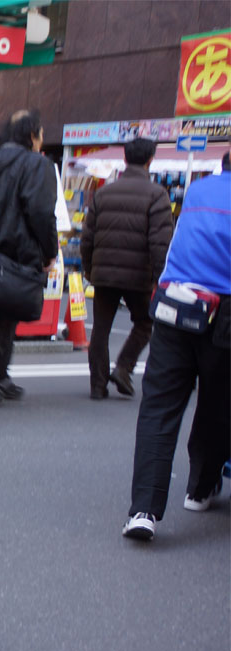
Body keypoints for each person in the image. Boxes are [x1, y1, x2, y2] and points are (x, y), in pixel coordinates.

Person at [123, 152, 231, 541]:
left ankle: (142, 511)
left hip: (175, 302)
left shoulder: (199, 190)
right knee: (217, 404)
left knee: (159, 407)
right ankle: (200, 488)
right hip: (225, 310)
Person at [0, 110, 57, 408]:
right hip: (17, 252)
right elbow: (41, 212)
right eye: (41, 133)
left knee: (4, 315)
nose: (42, 140)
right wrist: (50, 251)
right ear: (32, 136)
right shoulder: (36, 165)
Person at [82, 137, 173, 399]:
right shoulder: (158, 195)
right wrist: (159, 277)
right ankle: (124, 367)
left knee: (100, 329)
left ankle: (97, 386)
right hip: (139, 274)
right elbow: (160, 242)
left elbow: (88, 237)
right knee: (145, 322)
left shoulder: (104, 193)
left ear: (125, 159)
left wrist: (90, 268)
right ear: (150, 160)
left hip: (104, 273)